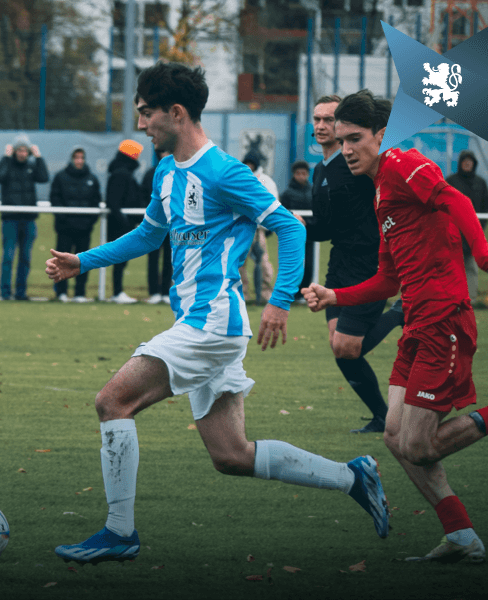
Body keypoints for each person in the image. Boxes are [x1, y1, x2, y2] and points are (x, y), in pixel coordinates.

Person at [45, 62, 389, 565]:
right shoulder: (166, 172)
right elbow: (148, 235)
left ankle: (119, 532)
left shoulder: (225, 172)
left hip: (210, 324)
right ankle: (352, 476)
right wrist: (83, 261)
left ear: (176, 113)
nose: (141, 125)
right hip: (205, 325)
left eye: (145, 113)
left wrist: (279, 301)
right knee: (232, 456)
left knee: (111, 402)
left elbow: (290, 227)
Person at [303, 89, 488, 563]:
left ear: (382, 135)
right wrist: (334, 296)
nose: (347, 149)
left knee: (418, 445)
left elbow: (456, 200)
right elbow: (388, 279)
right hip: (416, 323)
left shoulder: (403, 164)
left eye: (355, 138)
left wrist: (485, 258)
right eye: (342, 141)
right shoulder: (380, 192)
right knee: (394, 437)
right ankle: (461, 536)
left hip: (444, 319)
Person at [303, 94, 402, 434]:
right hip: (340, 263)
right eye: (317, 119)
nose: (321, 125)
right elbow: (325, 229)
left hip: (368, 263)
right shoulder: (321, 170)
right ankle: (382, 417)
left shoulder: (360, 165)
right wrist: (296, 226)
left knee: (346, 347)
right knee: (339, 346)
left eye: (328, 119)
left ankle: (399, 313)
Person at [0, 134, 49, 300]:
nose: (22, 153)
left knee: (25, 258)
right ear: (14, 151)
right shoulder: (7, 165)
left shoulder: (31, 167)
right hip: (10, 219)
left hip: (28, 219)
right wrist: (5, 157)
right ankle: (5, 293)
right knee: (8, 257)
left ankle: (21, 292)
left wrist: (39, 157)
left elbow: (44, 178)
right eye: (19, 150)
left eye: (25, 150)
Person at [49, 146, 101, 302]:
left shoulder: (92, 179)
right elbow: (55, 198)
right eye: (77, 158)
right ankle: (61, 292)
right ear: (72, 159)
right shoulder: (61, 177)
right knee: (62, 261)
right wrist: (63, 219)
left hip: (84, 228)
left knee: (83, 261)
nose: (79, 161)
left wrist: (89, 222)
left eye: (82, 158)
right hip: (65, 228)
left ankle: (80, 293)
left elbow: (96, 201)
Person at [445, 149, 488, 300]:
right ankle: (451, 298)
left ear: (474, 164)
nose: (467, 164)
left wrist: (479, 228)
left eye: (470, 161)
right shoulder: (450, 181)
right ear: (460, 163)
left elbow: (485, 207)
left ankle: (471, 299)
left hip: (473, 233)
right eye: (465, 161)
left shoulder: (480, 183)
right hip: (453, 232)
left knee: (471, 267)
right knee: (451, 267)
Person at [105, 140, 144, 304]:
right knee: (120, 260)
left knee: (120, 260)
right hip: (121, 225)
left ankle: (118, 292)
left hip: (122, 223)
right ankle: (117, 292)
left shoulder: (121, 173)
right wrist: (126, 222)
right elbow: (114, 202)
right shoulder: (121, 174)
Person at [241, 151, 276, 303]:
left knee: (263, 262)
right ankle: (242, 295)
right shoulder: (238, 178)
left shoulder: (265, 181)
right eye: (247, 164)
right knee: (239, 263)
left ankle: (265, 294)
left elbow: (272, 202)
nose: (249, 166)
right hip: (241, 228)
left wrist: (268, 226)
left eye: (251, 164)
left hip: (258, 229)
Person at [141, 149, 172, 304]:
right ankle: (153, 291)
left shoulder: (178, 173)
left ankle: (166, 291)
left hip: (171, 224)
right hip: (155, 224)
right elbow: (143, 196)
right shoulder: (151, 174)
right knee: (153, 258)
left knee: (169, 258)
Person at [279, 160, 314, 291]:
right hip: (292, 234)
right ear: (294, 174)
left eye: (303, 173)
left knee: (309, 263)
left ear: (308, 174)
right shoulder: (287, 193)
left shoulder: (313, 192)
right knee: (293, 263)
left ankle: (305, 291)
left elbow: (317, 211)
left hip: (310, 233)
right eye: (298, 173)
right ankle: (292, 292)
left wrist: (308, 223)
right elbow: (283, 213)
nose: (301, 176)